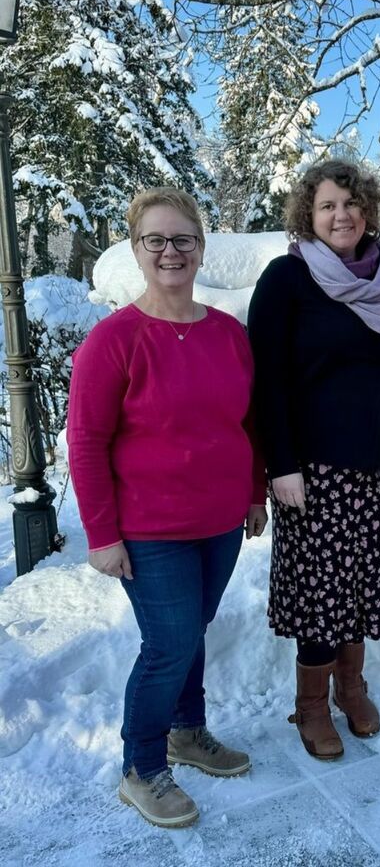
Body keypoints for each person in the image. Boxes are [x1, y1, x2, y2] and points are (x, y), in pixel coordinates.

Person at [67, 188, 267, 829]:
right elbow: (87, 442)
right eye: (156, 240)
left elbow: (248, 423)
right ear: (137, 250)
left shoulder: (228, 334)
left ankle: (188, 729)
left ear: (201, 248)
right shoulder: (114, 341)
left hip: (218, 523)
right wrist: (102, 535)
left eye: (183, 239)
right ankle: (142, 765)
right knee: (169, 643)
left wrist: (254, 492)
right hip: (149, 528)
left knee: (189, 635)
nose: (171, 252)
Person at [248, 159, 380, 761]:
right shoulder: (286, 280)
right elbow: (267, 380)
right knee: (321, 592)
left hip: (377, 464)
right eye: (327, 206)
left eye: (350, 204)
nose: (341, 215)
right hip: (314, 469)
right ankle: (313, 705)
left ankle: (352, 688)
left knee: (360, 584)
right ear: (309, 215)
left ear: (368, 211)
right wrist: (281, 464)